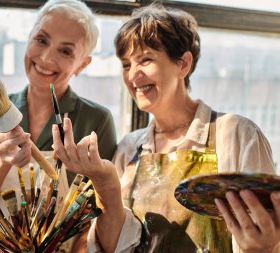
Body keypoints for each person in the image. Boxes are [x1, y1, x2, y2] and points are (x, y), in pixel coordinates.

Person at [52, 4, 280, 253]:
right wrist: (104, 182)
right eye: (126, 64)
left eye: (145, 60)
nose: (133, 75)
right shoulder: (129, 148)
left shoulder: (236, 134)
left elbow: (266, 234)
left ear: (183, 64)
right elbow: (111, 247)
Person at [0, 0, 117, 252]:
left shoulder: (96, 120)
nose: (46, 58)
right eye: (41, 40)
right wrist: (1, 159)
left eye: (65, 51)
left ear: (83, 64)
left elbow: (97, 210)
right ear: (29, 39)